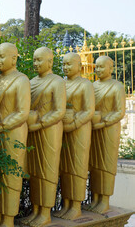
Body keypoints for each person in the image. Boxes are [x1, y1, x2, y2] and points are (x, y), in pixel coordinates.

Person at [0, 43, 30, 227]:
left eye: (2, 56)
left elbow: (22, 112)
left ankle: (9, 219)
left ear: (14, 58)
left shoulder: (21, 80)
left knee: (11, 175)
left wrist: (2, 125)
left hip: (14, 132)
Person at [24, 47, 66, 227]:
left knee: (48, 171)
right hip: (33, 130)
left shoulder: (57, 82)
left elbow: (59, 110)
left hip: (50, 130)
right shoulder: (31, 82)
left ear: (50, 62)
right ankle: (35, 210)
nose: (36, 63)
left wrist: (41, 122)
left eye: (40, 60)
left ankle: (45, 212)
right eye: (34, 60)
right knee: (35, 172)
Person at [54, 53, 94, 220]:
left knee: (77, 167)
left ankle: (76, 206)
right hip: (64, 131)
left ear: (79, 65)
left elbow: (89, 110)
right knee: (65, 169)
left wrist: (74, 123)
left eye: (70, 64)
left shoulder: (85, 85)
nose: (66, 67)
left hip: (80, 130)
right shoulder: (61, 84)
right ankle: (67, 203)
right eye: (64, 64)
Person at [89, 56, 125, 214]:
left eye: (102, 67)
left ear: (111, 68)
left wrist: (103, 122)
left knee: (106, 165)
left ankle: (105, 200)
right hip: (93, 129)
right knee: (94, 164)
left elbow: (120, 112)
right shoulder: (91, 86)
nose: (98, 70)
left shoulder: (117, 87)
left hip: (109, 129)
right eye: (96, 66)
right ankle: (95, 198)